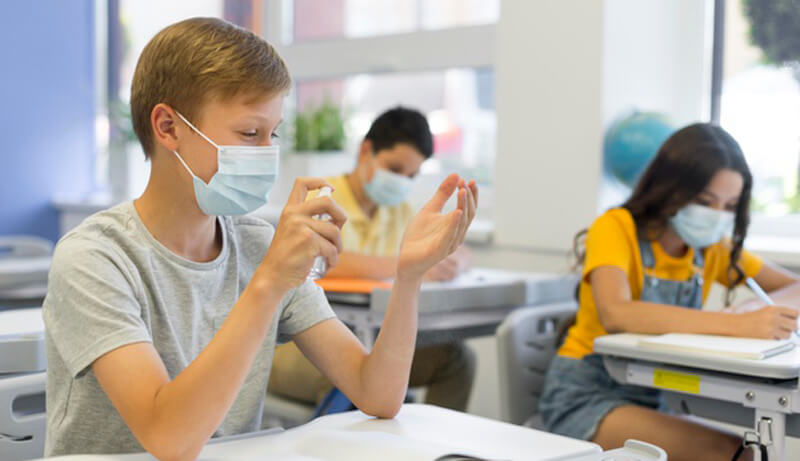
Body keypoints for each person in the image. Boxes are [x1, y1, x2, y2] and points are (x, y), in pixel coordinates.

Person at [42, 17, 478, 459]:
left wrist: (408, 277)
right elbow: (168, 438)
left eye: (274, 134)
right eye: (249, 133)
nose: (267, 153)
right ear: (168, 127)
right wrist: (269, 280)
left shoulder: (256, 243)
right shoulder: (95, 257)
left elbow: (377, 394)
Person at [538, 123, 800, 461]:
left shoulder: (712, 249)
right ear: (671, 189)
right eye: (705, 201)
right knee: (735, 454)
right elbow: (617, 313)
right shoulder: (615, 227)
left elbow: (795, 286)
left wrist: (757, 309)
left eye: (730, 205)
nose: (716, 216)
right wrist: (738, 323)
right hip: (585, 397)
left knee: (751, 447)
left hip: (658, 395)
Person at [270, 107, 475, 411]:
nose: (402, 181)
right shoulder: (320, 195)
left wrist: (454, 254)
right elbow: (323, 261)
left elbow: (454, 250)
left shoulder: (400, 210)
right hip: (301, 345)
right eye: (394, 169)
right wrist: (408, 265)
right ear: (366, 150)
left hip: (374, 338)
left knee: (457, 358)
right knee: (345, 373)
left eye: (412, 175)